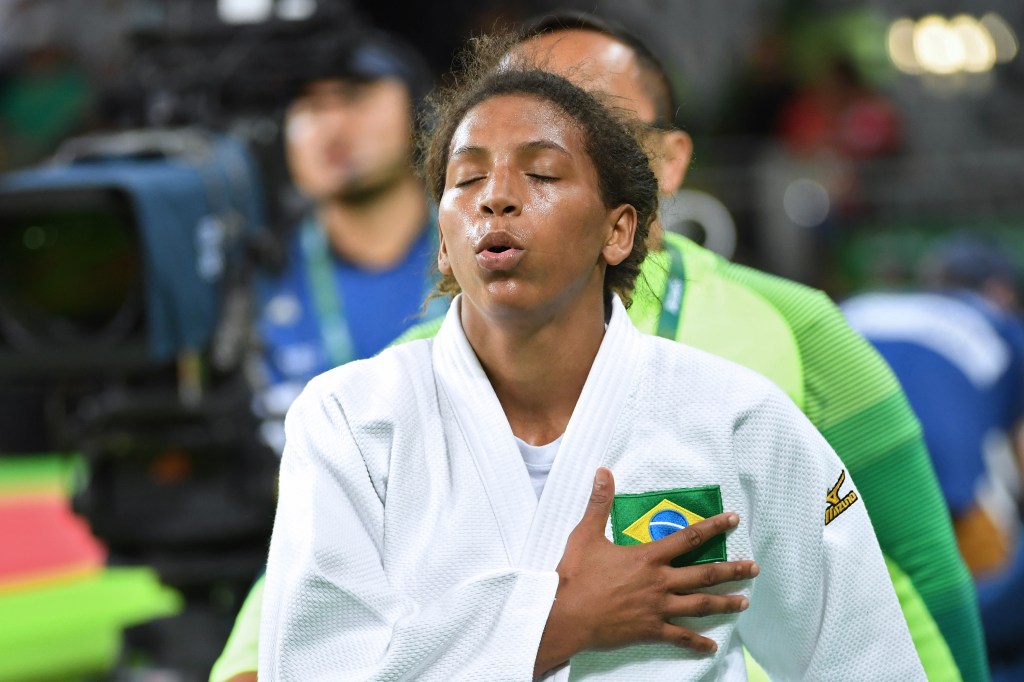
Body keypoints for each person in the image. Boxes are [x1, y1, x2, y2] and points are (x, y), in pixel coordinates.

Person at [259, 57, 923, 679]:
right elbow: (315, 665)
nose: (495, 198)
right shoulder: (351, 420)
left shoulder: (735, 419)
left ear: (619, 232)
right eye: (466, 180)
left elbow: (863, 657)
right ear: (443, 242)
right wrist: (561, 620)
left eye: (541, 174)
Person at [390, 12, 983, 681]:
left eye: (588, 121)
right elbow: (319, 623)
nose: (516, 178)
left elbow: (919, 568)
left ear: (668, 162)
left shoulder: (795, 324)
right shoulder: (399, 386)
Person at [208, 30, 447, 682]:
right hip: (304, 580)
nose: (331, 125)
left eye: (354, 97)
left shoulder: (493, 250)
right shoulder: (243, 281)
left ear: (422, 110)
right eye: (307, 107)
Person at [843, 237, 1024, 682]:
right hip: (944, 492)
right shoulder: (997, 323)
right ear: (1001, 291)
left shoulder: (859, 306)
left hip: (830, 483)